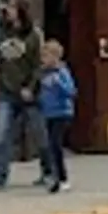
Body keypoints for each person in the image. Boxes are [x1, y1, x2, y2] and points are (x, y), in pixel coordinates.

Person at [0, 5, 46, 189]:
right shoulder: (5, 32)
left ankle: (49, 171)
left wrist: (30, 87)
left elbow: (39, 64)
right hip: (7, 91)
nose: (6, 9)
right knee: (1, 134)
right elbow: (1, 57)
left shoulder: (34, 35)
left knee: (40, 134)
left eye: (11, 6)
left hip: (29, 94)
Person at [35, 43, 78, 192]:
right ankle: (55, 176)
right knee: (50, 145)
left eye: (46, 56)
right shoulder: (43, 73)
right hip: (48, 112)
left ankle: (62, 178)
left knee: (55, 144)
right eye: (42, 56)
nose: (43, 60)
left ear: (55, 57)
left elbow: (71, 91)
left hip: (62, 112)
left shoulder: (62, 72)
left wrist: (58, 83)